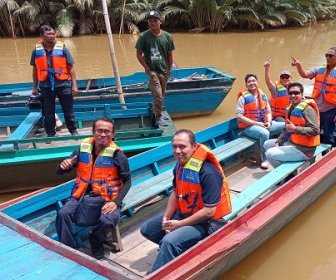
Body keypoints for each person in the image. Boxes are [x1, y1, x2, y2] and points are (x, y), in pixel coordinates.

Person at [140, 129, 232, 272]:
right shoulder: (180, 166)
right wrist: (166, 217)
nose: (177, 151)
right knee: (148, 229)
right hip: (184, 213)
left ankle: (159, 272)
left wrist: (179, 225)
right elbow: (175, 192)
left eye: (182, 147)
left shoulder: (208, 173)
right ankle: (177, 253)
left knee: (169, 242)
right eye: (174, 147)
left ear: (194, 147)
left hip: (208, 223)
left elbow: (209, 211)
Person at [55, 117, 131, 259]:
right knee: (63, 214)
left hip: (107, 199)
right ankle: (68, 248)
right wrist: (63, 165)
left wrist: (115, 202)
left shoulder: (118, 156)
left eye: (107, 132)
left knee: (106, 221)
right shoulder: (82, 150)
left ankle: (95, 241)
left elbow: (127, 182)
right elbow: (59, 171)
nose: (103, 135)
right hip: (81, 194)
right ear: (93, 132)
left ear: (113, 135)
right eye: (99, 131)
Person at [291, 46, 336, 146]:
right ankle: (312, 155)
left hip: (331, 110)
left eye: (330, 56)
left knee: (328, 136)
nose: (328, 58)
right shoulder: (319, 69)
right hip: (317, 109)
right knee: (313, 133)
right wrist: (298, 66)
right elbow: (305, 75)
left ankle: (327, 156)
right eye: (326, 55)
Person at [31, 25, 78, 137]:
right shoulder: (36, 51)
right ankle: (51, 133)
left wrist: (74, 86)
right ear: (42, 36)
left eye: (53, 34)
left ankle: (73, 131)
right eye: (49, 34)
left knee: (68, 110)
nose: (52, 36)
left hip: (63, 84)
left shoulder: (62, 48)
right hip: (45, 85)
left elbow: (71, 68)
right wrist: (34, 87)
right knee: (48, 112)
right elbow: (35, 70)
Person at [263, 82, 320, 167]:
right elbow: (286, 129)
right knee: (267, 144)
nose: (293, 95)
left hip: (304, 150)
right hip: (292, 142)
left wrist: (295, 129)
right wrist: (279, 141)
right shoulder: (291, 108)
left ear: (301, 94)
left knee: (270, 154)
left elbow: (315, 130)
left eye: (296, 93)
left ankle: (287, 176)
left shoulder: (308, 109)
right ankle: (286, 167)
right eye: (290, 93)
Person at [236, 73, 285, 169]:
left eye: (253, 81)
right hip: (249, 127)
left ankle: (282, 150)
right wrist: (257, 123)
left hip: (264, 124)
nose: (252, 83)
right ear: (246, 85)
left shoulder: (262, 95)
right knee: (264, 133)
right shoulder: (242, 98)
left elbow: (268, 111)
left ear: (257, 83)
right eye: (249, 82)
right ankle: (265, 158)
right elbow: (239, 116)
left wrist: (269, 121)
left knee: (285, 125)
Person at [136, 11, 175, 128]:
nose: (153, 23)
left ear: (160, 22)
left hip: (164, 70)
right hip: (152, 70)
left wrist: (169, 70)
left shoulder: (167, 36)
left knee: (161, 95)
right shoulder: (143, 36)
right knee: (157, 95)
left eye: (155, 20)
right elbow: (138, 54)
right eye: (150, 21)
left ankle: (160, 113)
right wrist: (147, 68)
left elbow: (170, 55)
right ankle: (158, 118)